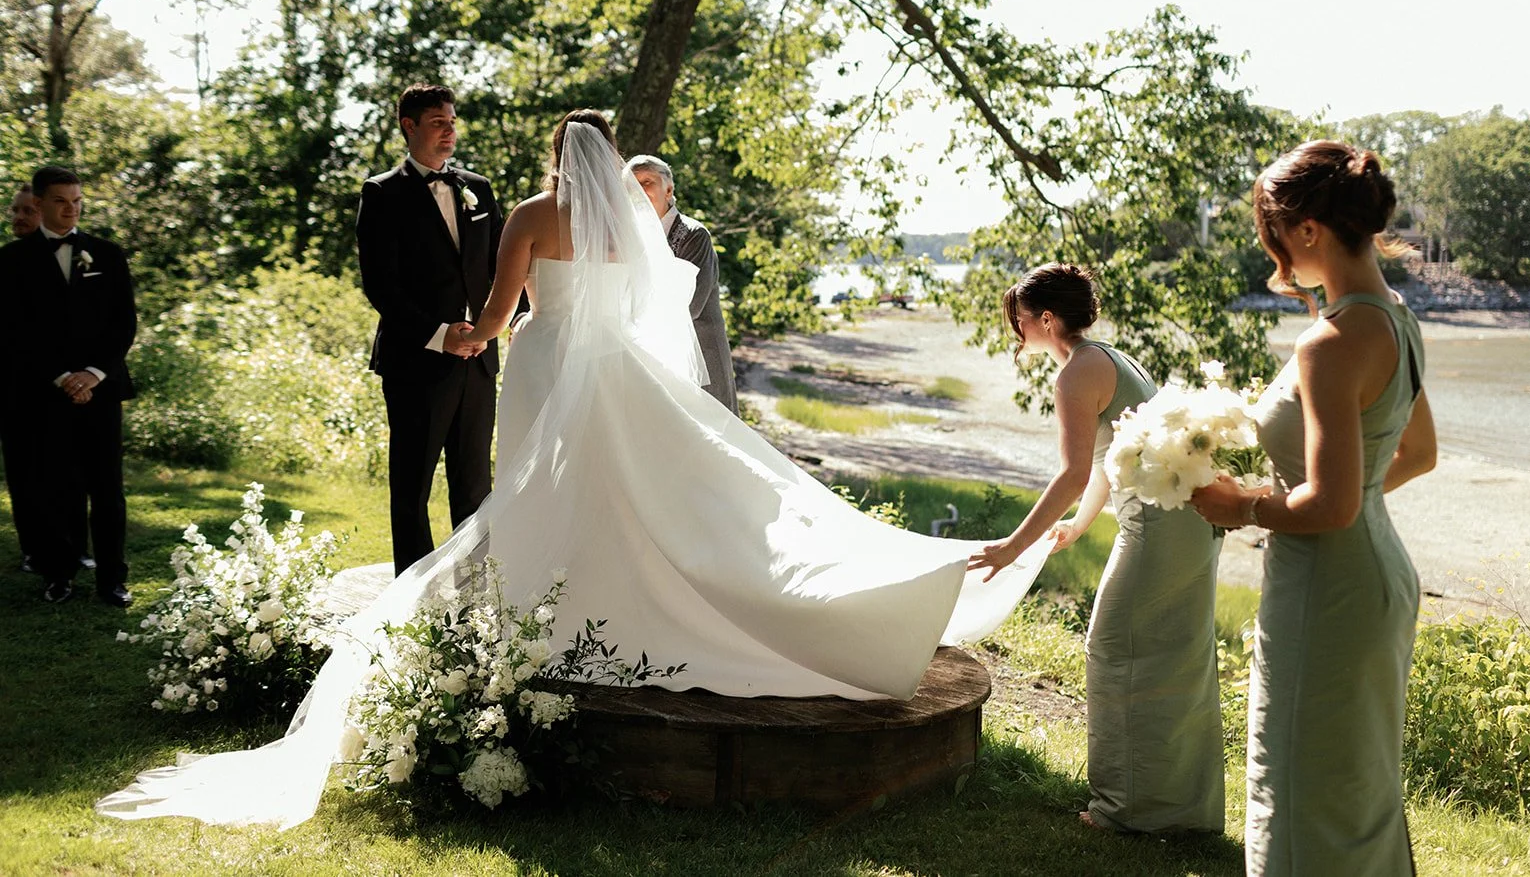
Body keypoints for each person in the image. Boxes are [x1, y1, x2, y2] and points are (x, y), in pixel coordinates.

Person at [96, 109, 1049, 828]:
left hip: (550, 366)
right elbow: (653, 319)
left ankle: (547, 605)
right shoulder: (634, 226)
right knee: (626, 494)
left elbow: (505, 310)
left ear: (558, 157)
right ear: (607, 159)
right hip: (625, 377)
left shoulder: (531, 213)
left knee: (536, 489)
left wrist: (466, 337)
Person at [1191, 140, 1436, 876]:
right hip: (1380, 574)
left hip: (1328, 588)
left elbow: (1328, 507)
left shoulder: (1328, 343)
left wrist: (1245, 506)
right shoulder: (1396, 317)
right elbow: (1416, 454)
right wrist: (1340, 497)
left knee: (1297, 785)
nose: (1277, 262)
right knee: (1355, 788)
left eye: (1274, 240)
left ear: (1307, 231)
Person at [968, 263, 1224, 834]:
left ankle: (1126, 810)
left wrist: (1012, 546)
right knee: (1169, 660)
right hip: (1179, 526)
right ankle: (1173, 810)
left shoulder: (1076, 374)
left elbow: (1072, 473)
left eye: (1020, 321)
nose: (1017, 333)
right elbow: (1113, 463)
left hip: (1162, 531)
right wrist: (1081, 526)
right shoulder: (1104, 357)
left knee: (1114, 650)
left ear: (1047, 318)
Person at [356, 84, 508, 575]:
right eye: (439, 121)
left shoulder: (477, 188)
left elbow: (502, 267)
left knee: (474, 483)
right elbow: (381, 285)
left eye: (452, 121)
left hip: (479, 359)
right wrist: (444, 335)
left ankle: (475, 589)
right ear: (410, 126)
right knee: (413, 484)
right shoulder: (382, 193)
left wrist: (498, 325)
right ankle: (412, 597)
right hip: (416, 359)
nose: (450, 131)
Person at [0, 167, 137, 606]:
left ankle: (113, 579)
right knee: (55, 485)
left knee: (107, 489)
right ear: (39, 204)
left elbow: (124, 325)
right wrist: (62, 377)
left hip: (101, 388)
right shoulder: (11, 261)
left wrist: (93, 374)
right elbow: (15, 333)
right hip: (44, 391)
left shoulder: (108, 255)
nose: (71, 209)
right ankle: (58, 574)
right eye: (62, 201)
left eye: (77, 201)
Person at [626, 154, 738, 413]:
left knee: (715, 436)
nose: (639, 190)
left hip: (701, 355)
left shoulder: (693, 235)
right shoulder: (631, 239)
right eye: (632, 185)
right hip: (653, 359)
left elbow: (691, 306)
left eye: (647, 182)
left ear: (669, 190)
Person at [3, 182, 43, 571]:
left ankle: (74, 545)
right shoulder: (6, 260)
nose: (17, 217)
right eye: (15, 210)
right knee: (23, 468)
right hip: (15, 383)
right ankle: (33, 547)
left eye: (26, 211)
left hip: (63, 383)